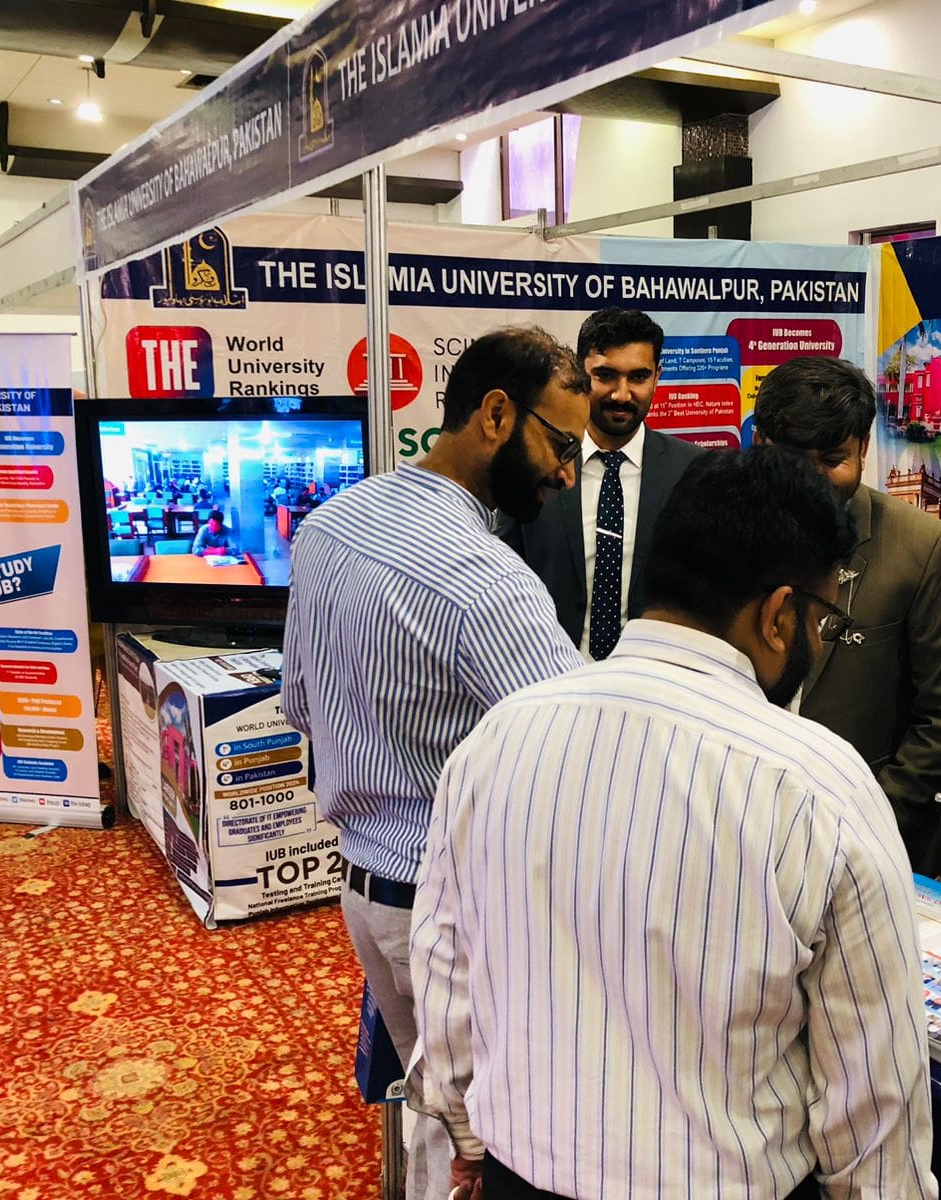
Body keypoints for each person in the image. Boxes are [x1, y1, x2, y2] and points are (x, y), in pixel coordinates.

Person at [410, 447, 936, 1200]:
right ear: (778, 615)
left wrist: (466, 1134)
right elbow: (874, 1087)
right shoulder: (819, 783)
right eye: (821, 617)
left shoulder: (500, 736)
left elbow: (445, 967)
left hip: (520, 1175)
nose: (818, 641)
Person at [282, 326, 588, 1200]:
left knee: (433, 1107)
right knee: (486, 1142)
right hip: (459, 915)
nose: (568, 474)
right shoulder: (485, 580)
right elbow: (580, 765)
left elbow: (298, 703)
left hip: (366, 893)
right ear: (496, 415)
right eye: (561, 445)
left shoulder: (331, 523)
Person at [753, 356, 941, 880]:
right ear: (760, 443)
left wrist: (859, 825)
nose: (811, 480)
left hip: (875, 849)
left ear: (862, 448)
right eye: (791, 459)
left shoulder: (923, 547)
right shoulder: (725, 535)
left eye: (832, 459)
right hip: (744, 839)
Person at [496, 308, 702, 660]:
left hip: (652, 679)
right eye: (606, 375)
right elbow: (501, 580)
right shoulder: (533, 465)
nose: (622, 394)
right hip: (546, 674)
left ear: (657, 376)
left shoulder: (695, 473)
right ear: (580, 373)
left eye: (639, 377)